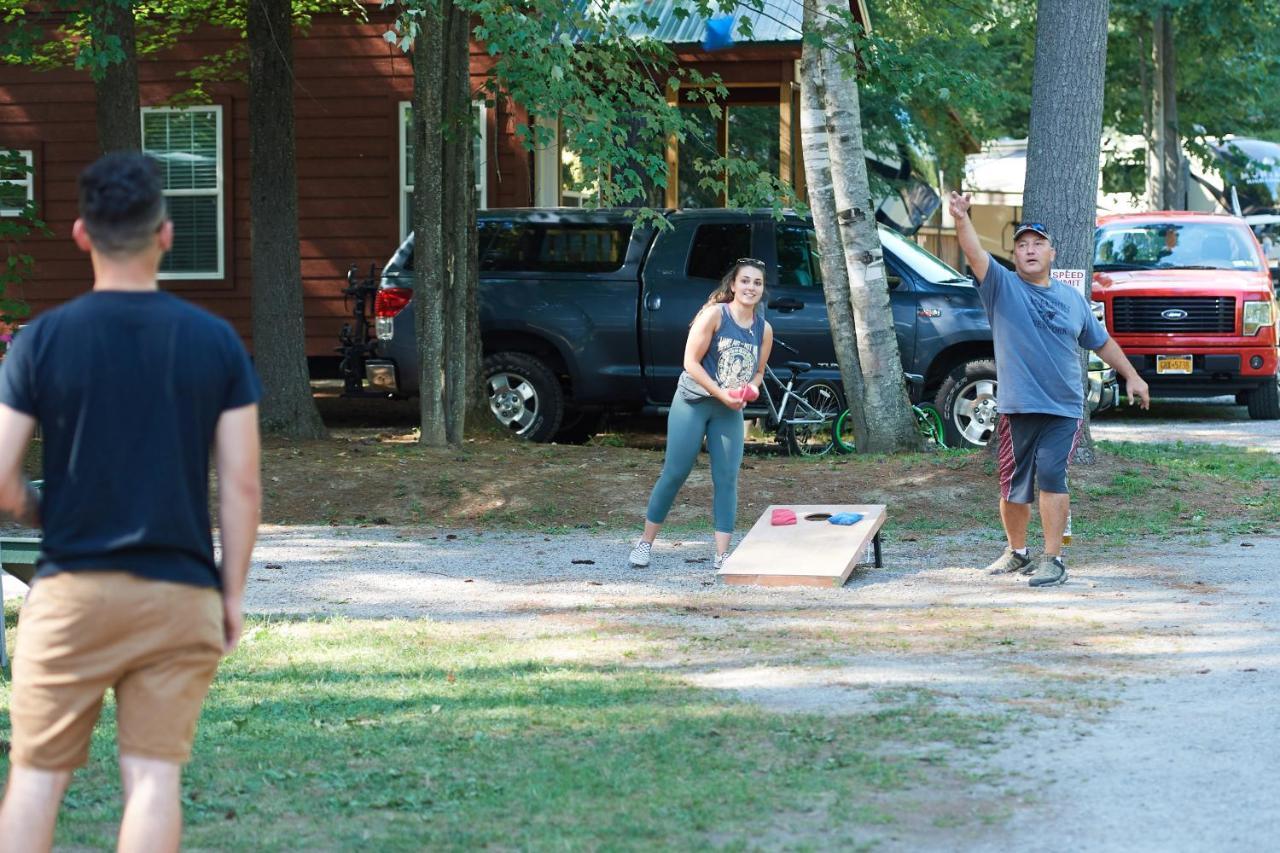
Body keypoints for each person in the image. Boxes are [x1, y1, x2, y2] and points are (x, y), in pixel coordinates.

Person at [0, 152, 262, 853]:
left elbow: (0, 474)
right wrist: (230, 593)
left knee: (35, 777)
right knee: (152, 779)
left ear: (82, 234)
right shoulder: (216, 342)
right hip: (178, 592)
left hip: (71, 592)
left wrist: (34, 509)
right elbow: (240, 485)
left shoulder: (42, 341)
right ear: (167, 234)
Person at [949, 192, 1150, 588]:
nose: (1029, 250)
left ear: (1052, 253)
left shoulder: (1071, 299)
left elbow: (1101, 341)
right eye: (1022, 245)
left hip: (1063, 408)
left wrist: (1132, 375)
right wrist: (961, 218)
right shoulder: (1001, 288)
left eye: (1037, 244)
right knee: (1013, 485)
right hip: (1017, 407)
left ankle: (1054, 559)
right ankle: (1017, 552)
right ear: (1016, 255)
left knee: (1052, 473)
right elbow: (974, 253)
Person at [628, 259, 774, 571]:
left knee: (726, 478)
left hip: (728, 410)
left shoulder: (764, 330)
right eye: (745, 281)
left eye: (757, 283)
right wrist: (722, 393)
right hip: (693, 402)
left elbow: (759, 371)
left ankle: (722, 554)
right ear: (733, 285)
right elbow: (690, 363)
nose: (751, 287)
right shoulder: (715, 315)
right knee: (675, 473)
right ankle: (644, 543)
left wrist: (751, 389)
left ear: (762, 290)